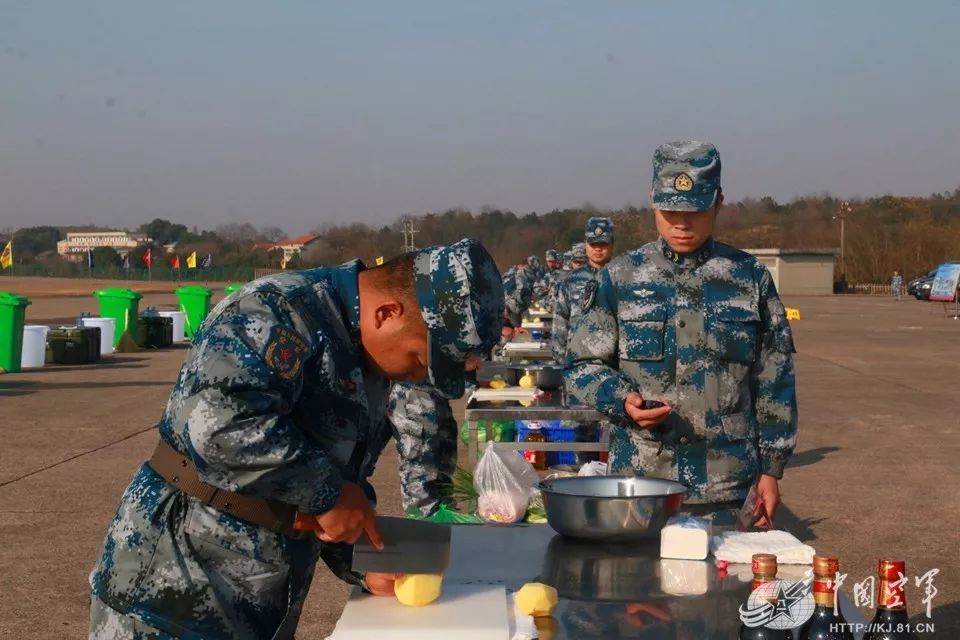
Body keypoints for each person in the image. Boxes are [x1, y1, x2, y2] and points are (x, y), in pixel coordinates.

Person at [88, 239, 504, 639]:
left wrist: (364, 559)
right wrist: (328, 494)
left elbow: (326, 479)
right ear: (388, 313)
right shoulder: (277, 311)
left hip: (259, 597)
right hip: (171, 593)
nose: (417, 377)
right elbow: (217, 425)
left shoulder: (367, 358)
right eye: (418, 360)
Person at [565, 141, 797, 525]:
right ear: (653, 203)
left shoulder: (748, 278)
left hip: (729, 487)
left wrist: (772, 469)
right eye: (670, 210)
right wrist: (621, 400)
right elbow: (582, 365)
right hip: (641, 486)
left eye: (696, 211)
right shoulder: (620, 278)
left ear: (718, 203)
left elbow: (775, 378)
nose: (682, 223)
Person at [551, 218, 615, 364]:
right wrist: (561, 361)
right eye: (593, 244)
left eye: (603, 244)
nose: (598, 249)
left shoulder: (622, 278)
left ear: (612, 244)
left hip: (614, 363)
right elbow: (560, 321)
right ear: (586, 244)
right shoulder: (570, 280)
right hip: (577, 361)